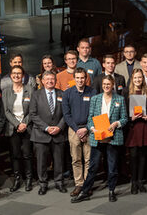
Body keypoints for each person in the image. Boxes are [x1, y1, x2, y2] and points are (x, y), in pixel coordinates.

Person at [71, 75, 128, 203]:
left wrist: (116, 124)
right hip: (98, 137)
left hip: (112, 138)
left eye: (108, 84)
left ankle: (111, 191)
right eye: (104, 84)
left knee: (112, 167)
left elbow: (124, 118)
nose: (106, 86)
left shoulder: (120, 99)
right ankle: (85, 192)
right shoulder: (95, 99)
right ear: (102, 85)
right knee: (93, 166)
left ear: (112, 85)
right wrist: (92, 129)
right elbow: (90, 118)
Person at [29, 71, 68, 195]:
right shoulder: (36, 94)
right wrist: (46, 128)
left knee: (59, 160)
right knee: (41, 162)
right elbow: (33, 114)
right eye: (47, 79)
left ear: (56, 81)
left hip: (59, 133)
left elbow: (66, 114)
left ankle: (59, 182)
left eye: (52, 79)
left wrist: (59, 127)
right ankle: (43, 184)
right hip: (41, 134)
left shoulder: (62, 94)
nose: (50, 81)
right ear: (42, 81)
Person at [62, 68, 96, 197]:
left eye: (82, 78)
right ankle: (79, 184)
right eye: (77, 78)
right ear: (74, 78)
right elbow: (66, 115)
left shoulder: (92, 92)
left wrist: (86, 128)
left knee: (88, 159)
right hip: (73, 129)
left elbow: (95, 112)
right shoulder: (67, 93)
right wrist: (77, 130)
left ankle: (87, 185)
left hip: (89, 129)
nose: (80, 80)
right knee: (76, 159)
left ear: (86, 78)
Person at [2, 66, 34, 192]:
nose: (16, 75)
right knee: (15, 155)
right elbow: (6, 111)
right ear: (10, 75)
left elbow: (33, 110)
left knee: (27, 154)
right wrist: (17, 124)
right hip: (12, 127)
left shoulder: (30, 89)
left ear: (23, 75)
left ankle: (29, 179)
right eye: (14, 73)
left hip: (27, 127)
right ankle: (17, 179)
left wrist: (24, 123)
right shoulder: (6, 91)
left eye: (19, 73)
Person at [122, 69, 147, 194]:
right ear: (132, 78)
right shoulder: (126, 92)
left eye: (140, 77)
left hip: (144, 126)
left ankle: (140, 181)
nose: (138, 80)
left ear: (143, 78)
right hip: (132, 127)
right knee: (133, 156)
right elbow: (123, 110)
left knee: (142, 156)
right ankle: (133, 182)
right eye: (135, 78)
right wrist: (131, 118)